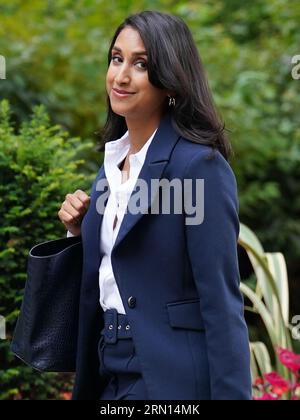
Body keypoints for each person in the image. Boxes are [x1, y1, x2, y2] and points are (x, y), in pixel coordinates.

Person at [58, 10, 252, 400]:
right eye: (116, 59)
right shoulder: (111, 169)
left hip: (168, 377)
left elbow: (221, 303)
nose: (121, 76)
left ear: (171, 82)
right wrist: (78, 233)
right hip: (106, 369)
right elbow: (115, 273)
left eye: (141, 64)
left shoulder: (199, 167)